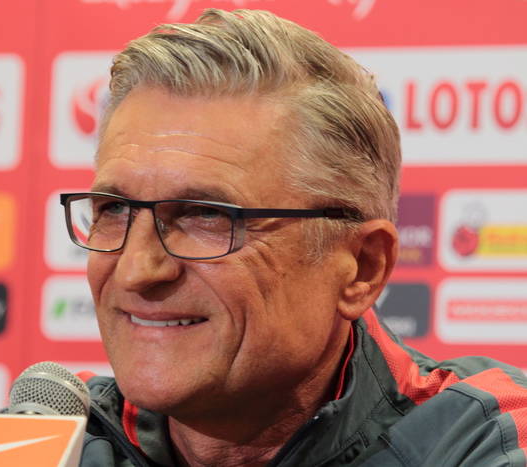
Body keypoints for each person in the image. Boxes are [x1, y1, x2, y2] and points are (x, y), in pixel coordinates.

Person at [59, 8, 527, 466]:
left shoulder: (486, 439)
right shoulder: (56, 436)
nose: (137, 269)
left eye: (207, 215)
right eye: (114, 209)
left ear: (361, 267)